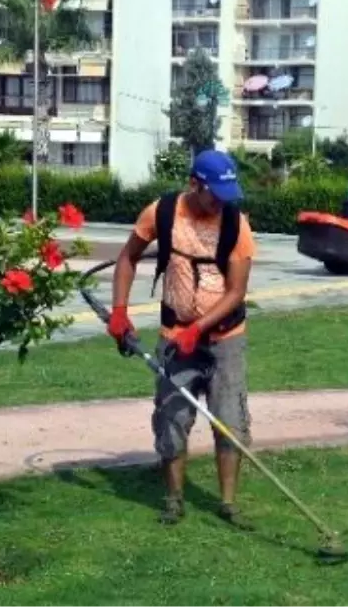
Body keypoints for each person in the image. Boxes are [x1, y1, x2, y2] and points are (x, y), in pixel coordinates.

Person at [106, 149, 256, 528]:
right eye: (214, 195)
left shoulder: (237, 225)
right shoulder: (163, 212)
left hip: (225, 337)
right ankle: (173, 500)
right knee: (172, 417)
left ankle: (228, 504)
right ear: (194, 183)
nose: (221, 203)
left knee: (230, 419)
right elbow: (127, 258)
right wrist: (120, 311)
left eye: (227, 196)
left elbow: (236, 292)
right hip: (175, 337)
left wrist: (198, 329)